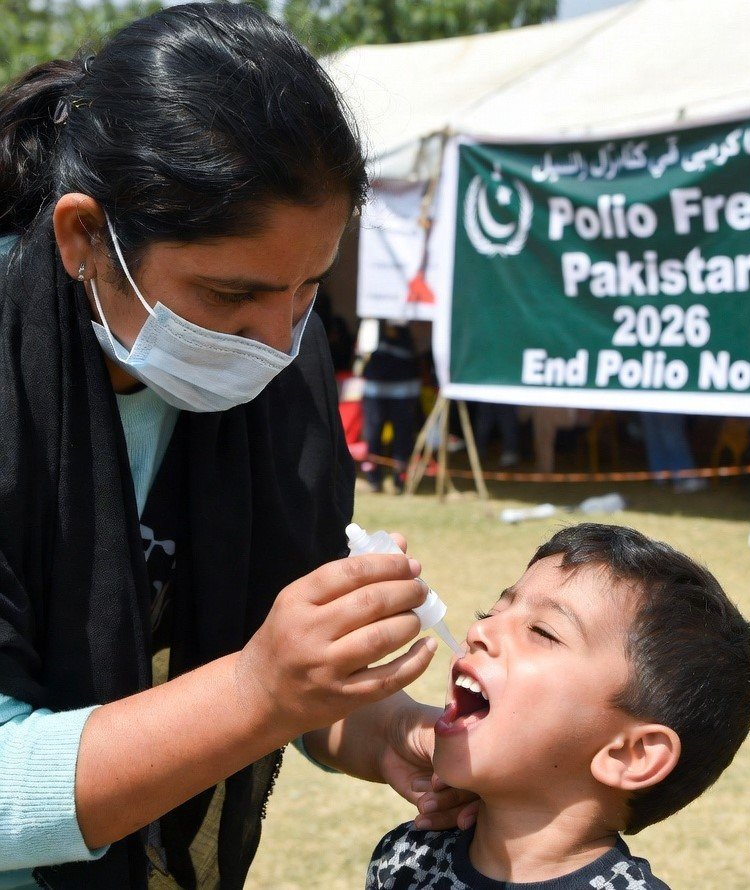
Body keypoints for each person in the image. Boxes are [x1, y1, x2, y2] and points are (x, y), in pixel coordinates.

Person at [0, 6, 474, 887]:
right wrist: (259, 687)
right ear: (84, 238)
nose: (271, 343)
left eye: (304, 293)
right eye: (228, 296)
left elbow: (283, 701)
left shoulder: (282, 371)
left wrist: (388, 730)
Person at [367, 523, 750, 889]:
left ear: (630, 754)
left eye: (542, 632)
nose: (479, 631)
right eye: (491, 613)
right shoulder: (406, 860)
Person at [361, 321, 421, 493]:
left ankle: (399, 480)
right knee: (373, 437)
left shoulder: (408, 330)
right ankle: (374, 479)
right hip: (376, 392)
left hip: (403, 393)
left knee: (402, 437)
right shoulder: (371, 325)